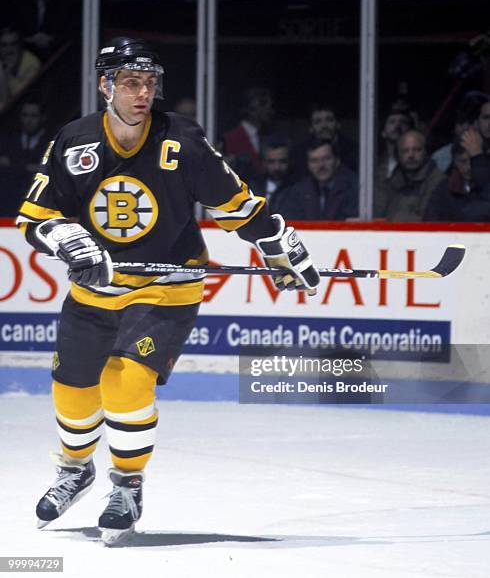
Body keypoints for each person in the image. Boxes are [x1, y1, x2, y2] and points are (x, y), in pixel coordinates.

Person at [16, 37, 320, 546]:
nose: (143, 93)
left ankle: (127, 485)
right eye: (132, 83)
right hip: (97, 290)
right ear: (105, 85)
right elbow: (35, 216)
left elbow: (236, 205)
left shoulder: (182, 139)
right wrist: (61, 236)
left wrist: (273, 241)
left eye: (150, 83)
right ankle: (76, 469)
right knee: (71, 390)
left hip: (167, 286)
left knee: (124, 380)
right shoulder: (75, 140)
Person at [280, 139, 358, 220]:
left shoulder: (352, 189)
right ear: (308, 165)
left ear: (337, 161)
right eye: (314, 161)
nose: (321, 165)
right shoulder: (298, 192)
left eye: (326, 159)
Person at [377, 130, 444, 222]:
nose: (411, 155)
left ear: (426, 152)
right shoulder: (391, 181)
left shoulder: (438, 181)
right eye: (405, 151)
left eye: (417, 150)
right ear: (398, 155)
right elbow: (377, 214)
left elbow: (427, 220)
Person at [0, 98, 47, 215]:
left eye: (34, 116)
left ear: (42, 117)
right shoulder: (8, 142)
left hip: (38, 206)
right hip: (8, 205)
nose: (29, 120)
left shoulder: (51, 142)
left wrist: (13, 164)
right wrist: (29, 167)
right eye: (25, 115)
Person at [424, 143, 490, 221]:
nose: (468, 167)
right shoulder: (444, 188)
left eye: (472, 161)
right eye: (463, 161)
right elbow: (431, 219)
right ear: (454, 162)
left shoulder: (486, 186)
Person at [291, 103, 358, 176]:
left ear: (338, 124)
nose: (324, 126)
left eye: (329, 120)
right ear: (310, 128)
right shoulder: (299, 153)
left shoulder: (354, 150)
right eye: (318, 122)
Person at [223, 87, 275, 176]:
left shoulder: (268, 136)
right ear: (250, 109)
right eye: (263, 104)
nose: (269, 110)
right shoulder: (230, 138)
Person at [373, 110, 413, 216]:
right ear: (383, 132)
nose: (397, 125)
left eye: (403, 122)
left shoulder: (417, 164)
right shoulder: (372, 164)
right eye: (392, 122)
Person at [248, 138, 296, 215]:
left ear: (290, 161)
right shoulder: (252, 187)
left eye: (282, 161)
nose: (277, 167)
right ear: (263, 162)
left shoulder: (298, 188)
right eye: (271, 162)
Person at [0, 26, 41, 111]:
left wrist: (6, 74)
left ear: (19, 44)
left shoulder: (32, 63)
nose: (9, 49)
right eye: (4, 45)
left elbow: (18, 99)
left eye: (13, 44)